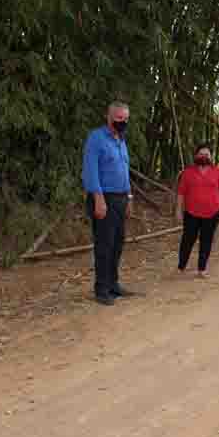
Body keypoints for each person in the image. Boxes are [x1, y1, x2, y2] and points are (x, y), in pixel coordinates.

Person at [82, 102, 141, 306]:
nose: (123, 122)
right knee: (104, 245)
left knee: (117, 243)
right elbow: (91, 172)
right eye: (119, 119)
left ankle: (113, 284)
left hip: (121, 198)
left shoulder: (121, 140)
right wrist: (99, 199)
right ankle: (101, 289)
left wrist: (130, 197)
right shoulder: (97, 138)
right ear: (108, 117)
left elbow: (124, 171)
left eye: (126, 119)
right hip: (104, 198)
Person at [176, 144, 219, 278]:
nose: (204, 157)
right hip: (191, 212)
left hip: (213, 213)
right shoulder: (188, 172)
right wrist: (178, 210)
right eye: (201, 154)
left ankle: (202, 268)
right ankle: (181, 266)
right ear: (196, 156)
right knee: (187, 240)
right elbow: (181, 193)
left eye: (207, 154)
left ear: (211, 157)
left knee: (206, 240)